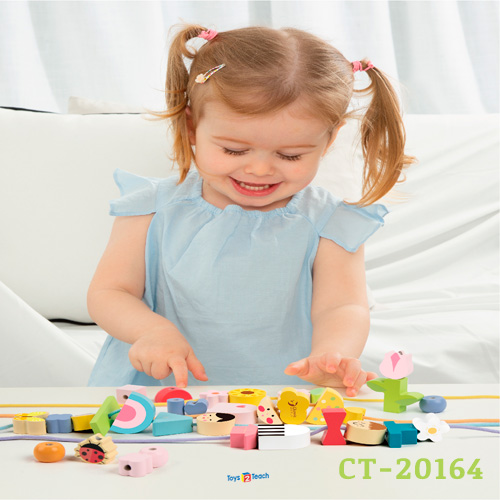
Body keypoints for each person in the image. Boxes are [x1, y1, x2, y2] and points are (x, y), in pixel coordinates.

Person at [87, 24, 414, 396]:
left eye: (290, 155)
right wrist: (150, 331)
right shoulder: (151, 207)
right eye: (234, 150)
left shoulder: (330, 223)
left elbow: (342, 307)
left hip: (283, 399)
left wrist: (332, 355)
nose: (259, 170)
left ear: (328, 140)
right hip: (159, 394)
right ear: (192, 127)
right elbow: (110, 292)